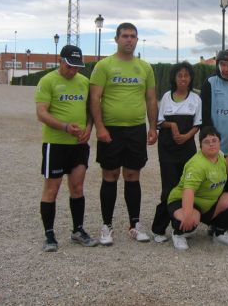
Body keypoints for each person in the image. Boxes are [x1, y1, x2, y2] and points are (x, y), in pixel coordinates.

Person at [90, 22, 158, 245]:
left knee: (132, 175)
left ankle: (134, 224)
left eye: (133, 36)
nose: (129, 40)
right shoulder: (104, 66)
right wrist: (99, 127)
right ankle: (107, 226)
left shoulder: (145, 68)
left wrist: (152, 126)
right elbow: (94, 98)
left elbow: (150, 98)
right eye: (125, 36)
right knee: (110, 176)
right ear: (117, 39)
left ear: (137, 40)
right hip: (111, 129)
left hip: (136, 129)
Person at [35, 45, 98, 252]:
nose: (73, 71)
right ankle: (49, 234)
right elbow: (41, 113)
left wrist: (89, 128)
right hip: (56, 143)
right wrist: (64, 127)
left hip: (79, 144)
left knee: (77, 187)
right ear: (61, 61)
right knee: (52, 189)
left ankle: (78, 230)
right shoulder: (48, 81)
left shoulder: (83, 82)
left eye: (77, 68)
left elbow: (91, 110)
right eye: (70, 67)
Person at [167, 126, 228, 250]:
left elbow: (225, 169)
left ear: (219, 142)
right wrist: (187, 214)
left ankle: (219, 232)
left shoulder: (220, 156)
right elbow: (188, 191)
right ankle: (178, 234)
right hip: (182, 200)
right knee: (189, 220)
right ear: (201, 145)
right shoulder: (197, 164)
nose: (211, 144)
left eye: (214, 140)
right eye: (206, 142)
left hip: (207, 205)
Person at [151, 62, 202, 243]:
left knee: (187, 187)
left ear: (190, 79)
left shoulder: (196, 99)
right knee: (169, 189)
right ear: (174, 78)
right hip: (167, 148)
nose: (183, 79)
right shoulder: (166, 97)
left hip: (187, 148)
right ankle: (158, 229)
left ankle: (180, 228)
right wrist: (171, 125)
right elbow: (159, 121)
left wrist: (186, 136)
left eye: (186, 76)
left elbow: (198, 124)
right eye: (179, 75)